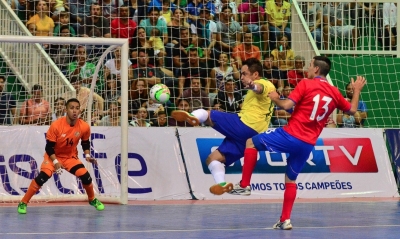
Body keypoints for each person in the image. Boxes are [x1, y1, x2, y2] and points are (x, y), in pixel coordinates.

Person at [227, 56, 366, 230]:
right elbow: (352, 110)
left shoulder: (305, 84)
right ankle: (285, 220)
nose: (308, 68)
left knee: (251, 143)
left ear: (316, 69)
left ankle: (245, 185)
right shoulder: (335, 92)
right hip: (307, 144)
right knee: (290, 180)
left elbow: (285, 106)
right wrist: (357, 89)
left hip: (290, 135)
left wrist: (275, 97)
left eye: (310, 65)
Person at [171, 58, 275, 194]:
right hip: (249, 139)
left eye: (244, 74)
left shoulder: (263, 83)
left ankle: (194, 117)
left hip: (245, 124)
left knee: (208, 114)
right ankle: (222, 184)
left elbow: (259, 88)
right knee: (212, 159)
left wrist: (252, 85)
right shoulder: (260, 91)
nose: (242, 77)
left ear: (255, 74)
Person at [17, 98, 105, 214]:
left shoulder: (84, 126)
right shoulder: (57, 125)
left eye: (77, 108)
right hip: (53, 156)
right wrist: (55, 162)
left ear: (80, 111)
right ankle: (23, 202)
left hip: (70, 157)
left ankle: (92, 199)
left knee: (86, 177)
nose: (74, 111)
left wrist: (87, 155)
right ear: (66, 110)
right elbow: (49, 147)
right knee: (43, 177)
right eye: (71, 108)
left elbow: (85, 142)